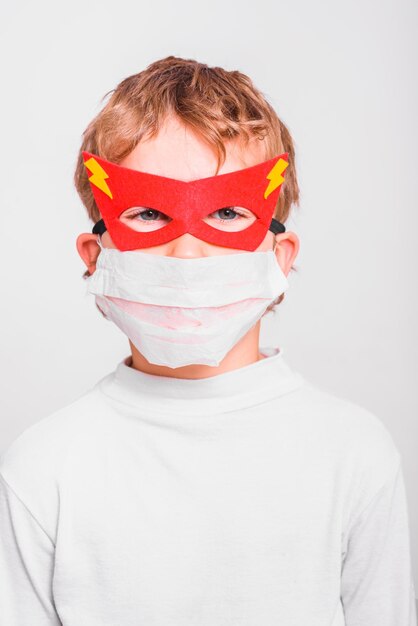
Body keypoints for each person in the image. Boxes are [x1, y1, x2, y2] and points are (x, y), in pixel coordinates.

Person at [0, 56, 416, 626]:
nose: (189, 253)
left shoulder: (354, 456)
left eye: (227, 212)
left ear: (281, 259)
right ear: (96, 259)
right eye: (147, 213)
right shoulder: (43, 470)